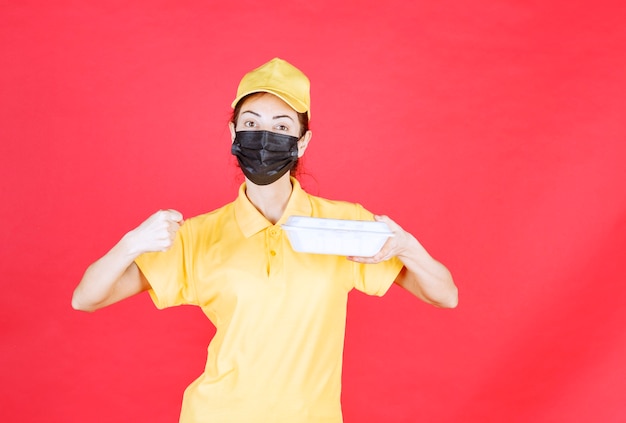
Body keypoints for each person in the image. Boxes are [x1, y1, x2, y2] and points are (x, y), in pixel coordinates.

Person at [72, 57, 458, 423]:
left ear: (302, 142)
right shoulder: (197, 236)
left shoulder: (343, 226)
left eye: (282, 127)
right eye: (252, 123)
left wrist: (407, 246)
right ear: (233, 133)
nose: (264, 137)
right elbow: (86, 298)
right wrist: (131, 244)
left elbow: (445, 295)